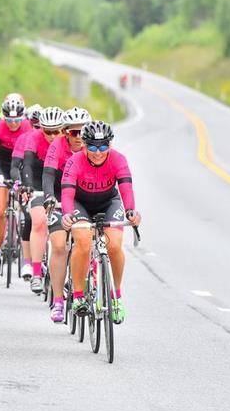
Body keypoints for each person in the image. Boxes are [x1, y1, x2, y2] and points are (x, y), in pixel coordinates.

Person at [61, 121, 141, 324]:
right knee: (84, 243)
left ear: (110, 146)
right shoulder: (75, 162)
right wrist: (68, 214)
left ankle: (116, 297)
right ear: (85, 146)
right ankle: (78, 296)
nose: (98, 152)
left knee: (114, 245)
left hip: (108, 202)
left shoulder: (118, 159)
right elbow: (68, 193)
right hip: (81, 203)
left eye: (103, 146)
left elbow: (126, 188)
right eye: (93, 147)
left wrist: (131, 210)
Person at [42, 106, 91, 322]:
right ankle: (59, 300)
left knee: (93, 239)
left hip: (87, 196)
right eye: (73, 132)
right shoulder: (57, 146)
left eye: (82, 132)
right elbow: (48, 174)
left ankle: (94, 273)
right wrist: (49, 197)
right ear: (65, 133)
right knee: (59, 244)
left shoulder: (95, 146)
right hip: (62, 196)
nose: (78, 137)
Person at [0, 95, 31, 277]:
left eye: (17, 120)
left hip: (20, 165)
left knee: (26, 209)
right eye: (9, 120)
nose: (13, 123)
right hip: (2, 165)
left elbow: (30, 154)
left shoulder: (28, 127)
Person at [22, 106, 64, 294]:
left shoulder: (68, 141)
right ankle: (37, 273)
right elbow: (28, 164)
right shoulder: (34, 137)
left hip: (64, 186)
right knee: (38, 222)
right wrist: (28, 185)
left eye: (57, 131)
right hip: (40, 185)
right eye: (48, 131)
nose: (52, 135)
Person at [9, 104, 41, 281]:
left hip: (48, 182)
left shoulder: (54, 139)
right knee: (30, 218)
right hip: (28, 182)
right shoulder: (25, 139)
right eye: (34, 125)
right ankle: (28, 261)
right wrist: (20, 184)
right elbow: (15, 167)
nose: (38, 129)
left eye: (41, 125)